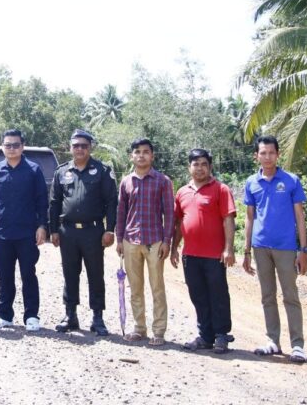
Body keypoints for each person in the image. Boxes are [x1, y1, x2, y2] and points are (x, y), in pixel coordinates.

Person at [243, 135, 307, 363]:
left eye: (271, 152)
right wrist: (246, 251)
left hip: (286, 247)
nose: (267, 157)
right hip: (260, 246)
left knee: (290, 296)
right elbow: (249, 217)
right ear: (256, 156)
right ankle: (273, 340)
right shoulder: (251, 182)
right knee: (267, 296)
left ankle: (297, 345)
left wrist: (303, 250)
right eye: (263, 153)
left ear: (278, 155)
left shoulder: (291, 180)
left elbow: (300, 216)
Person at [49, 129, 117, 336]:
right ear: (70, 147)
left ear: (90, 147)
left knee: (96, 274)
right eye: (76, 145)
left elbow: (111, 203)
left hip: (93, 232)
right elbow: (54, 202)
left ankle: (97, 318)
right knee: (70, 274)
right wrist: (53, 230)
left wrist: (110, 230)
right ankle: (70, 315)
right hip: (68, 232)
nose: (80, 149)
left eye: (84, 146)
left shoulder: (102, 171)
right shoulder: (62, 172)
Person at [171, 149, 236, 353]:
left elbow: (228, 219)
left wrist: (228, 248)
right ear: (189, 167)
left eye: (203, 164)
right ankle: (205, 336)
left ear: (210, 167)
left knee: (218, 295)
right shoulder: (182, 192)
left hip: (214, 255)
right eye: (195, 164)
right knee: (197, 295)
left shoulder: (221, 189)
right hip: (190, 255)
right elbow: (178, 222)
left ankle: (221, 335)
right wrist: (174, 248)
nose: (199, 168)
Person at [0, 129, 48, 331]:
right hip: (3, 233)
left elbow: (42, 200)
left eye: (16, 145)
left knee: (28, 275)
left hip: (27, 234)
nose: (11, 148)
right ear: (2, 147)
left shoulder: (33, 170)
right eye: (8, 145)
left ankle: (32, 316)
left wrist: (42, 226)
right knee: (5, 276)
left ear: (22, 146)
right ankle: (4, 315)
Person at [115, 138, 174, 346]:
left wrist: (167, 241)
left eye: (146, 152)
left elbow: (169, 213)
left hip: (155, 240)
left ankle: (159, 331)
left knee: (157, 287)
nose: (141, 155)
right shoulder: (126, 182)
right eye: (137, 152)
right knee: (135, 287)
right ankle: (139, 328)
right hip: (130, 240)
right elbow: (121, 212)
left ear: (152, 156)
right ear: (131, 156)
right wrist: (119, 239)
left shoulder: (163, 181)